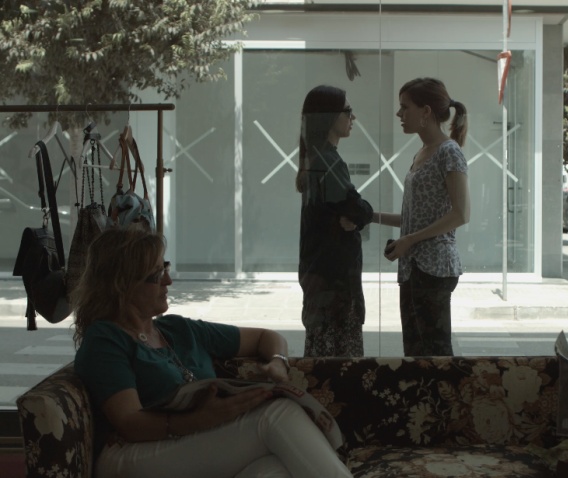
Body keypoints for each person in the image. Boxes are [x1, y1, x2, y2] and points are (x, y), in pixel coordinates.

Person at [72, 228, 352, 478]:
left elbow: (266, 337)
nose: (168, 280)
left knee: (275, 469)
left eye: (165, 267)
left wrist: (278, 363)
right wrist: (201, 419)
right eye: (155, 275)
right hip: (130, 454)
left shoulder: (178, 330)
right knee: (277, 415)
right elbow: (129, 422)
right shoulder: (106, 339)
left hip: (192, 442)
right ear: (122, 286)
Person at [372, 77, 471, 356]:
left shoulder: (449, 152)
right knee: (415, 353)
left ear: (426, 111)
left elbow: (461, 213)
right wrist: (371, 216)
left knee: (434, 355)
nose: (399, 114)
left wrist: (410, 240)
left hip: (434, 267)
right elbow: (413, 219)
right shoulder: (422, 153)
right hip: (414, 267)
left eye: (405, 107)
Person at [296, 85, 373, 357]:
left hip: (324, 281)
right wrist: (359, 214)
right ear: (328, 116)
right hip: (334, 286)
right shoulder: (327, 161)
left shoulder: (317, 158)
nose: (353, 117)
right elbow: (358, 209)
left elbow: (352, 211)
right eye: (347, 111)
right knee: (339, 366)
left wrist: (355, 215)